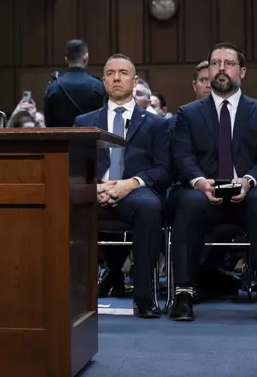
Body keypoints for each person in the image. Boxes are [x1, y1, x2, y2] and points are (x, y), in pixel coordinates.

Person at [169, 43, 257, 323]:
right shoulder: (189, 113)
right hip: (205, 194)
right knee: (188, 200)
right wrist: (199, 181)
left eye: (228, 63)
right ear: (208, 70)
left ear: (242, 71)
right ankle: (184, 293)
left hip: (249, 193)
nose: (221, 68)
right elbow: (182, 156)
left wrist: (248, 180)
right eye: (215, 63)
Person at [74, 55, 170, 318]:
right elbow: (74, 167)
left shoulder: (156, 124)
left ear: (134, 80)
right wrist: (93, 187)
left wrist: (130, 184)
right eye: (111, 73)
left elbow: (164, 169)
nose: (117, 78)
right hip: (94, 192)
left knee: (150, 207)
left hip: (134, 192)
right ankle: (73, 296)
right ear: (103, 80)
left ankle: (144, 297)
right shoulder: (84, 122)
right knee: (66, 202)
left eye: (123, 73)